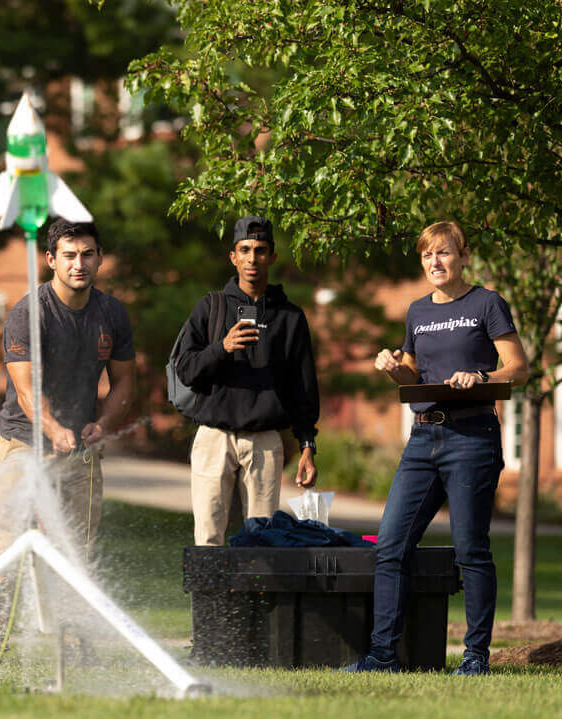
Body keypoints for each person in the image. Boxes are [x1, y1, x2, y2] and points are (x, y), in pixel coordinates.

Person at [344, 221, 528, 675]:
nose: (435, 262)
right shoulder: (417, 312)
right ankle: (383, 656)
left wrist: (482, 377)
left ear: (463, 256)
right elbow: (413, 378)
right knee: (390, 545)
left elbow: (519, 368)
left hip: (472, 438)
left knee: (471, 550)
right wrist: (391, 367)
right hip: (423, 438)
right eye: (427, 255)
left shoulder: (486, 303)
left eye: (444, 253)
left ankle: (474, 657)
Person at [0, 218, 136, 660]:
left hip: (79, 450)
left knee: (76, 548)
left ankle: (73, 639)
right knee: (7, 543)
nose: (79, 263)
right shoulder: (29, 312)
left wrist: (102, 424)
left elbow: (124, 383)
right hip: (23, 443)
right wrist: (52, 427)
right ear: (50, 260)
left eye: (87, 254)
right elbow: (26, 390)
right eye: (69, 255)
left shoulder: (112, 313)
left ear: (99, 257)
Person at [176, 216, 320, 547]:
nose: (252, 258)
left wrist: (307, 446)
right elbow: (185, 370)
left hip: (265, 441)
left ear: (272, 256)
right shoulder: (210, 307)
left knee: (263, 541)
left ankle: (255, 601)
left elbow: (304, 388)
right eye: (245, 250)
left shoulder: (290, 317)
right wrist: (222, 348)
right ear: (233, 257)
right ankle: (210, 601)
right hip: (214, 437)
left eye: (260, 250)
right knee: (208, 537)